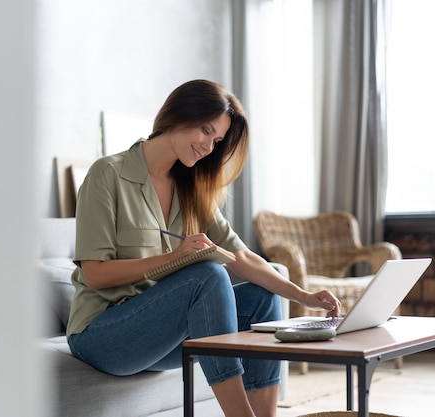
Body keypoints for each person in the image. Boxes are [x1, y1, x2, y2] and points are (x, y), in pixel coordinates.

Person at [66, 79, 342, 417]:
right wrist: (174, 258)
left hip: (158, 336)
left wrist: (304, 297)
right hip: (102, 335)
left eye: (217, 140)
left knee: (263, 298)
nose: (209, 148)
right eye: (205, 131)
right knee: (206, 275)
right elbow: (94, 275)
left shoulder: (192, 187)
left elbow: (242, 256)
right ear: (177, 116)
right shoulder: (107, 174)